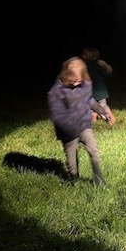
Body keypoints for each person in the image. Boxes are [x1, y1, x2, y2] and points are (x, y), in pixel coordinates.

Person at [47, 56, 112, 186]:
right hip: (67, 131)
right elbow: (57, 115)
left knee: (93, 151)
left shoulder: (85, 84)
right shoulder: (56, 92)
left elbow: (89, 100)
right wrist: (70, 130)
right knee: (71, 160)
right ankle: (74, 180)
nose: (76, 83)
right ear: (66, 75)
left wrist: (101, 111)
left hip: (84, 125)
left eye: (79, 80)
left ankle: (99, 180)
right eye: (73, 80)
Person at [81, 46, 115, 124]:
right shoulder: (97, 65)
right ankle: (110, 118)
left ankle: (95, 120)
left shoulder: (83, 66)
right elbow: (106, 73)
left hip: (91, 90)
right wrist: (105, 66)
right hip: (100, 90)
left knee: (91, 106)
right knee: (103, 105)